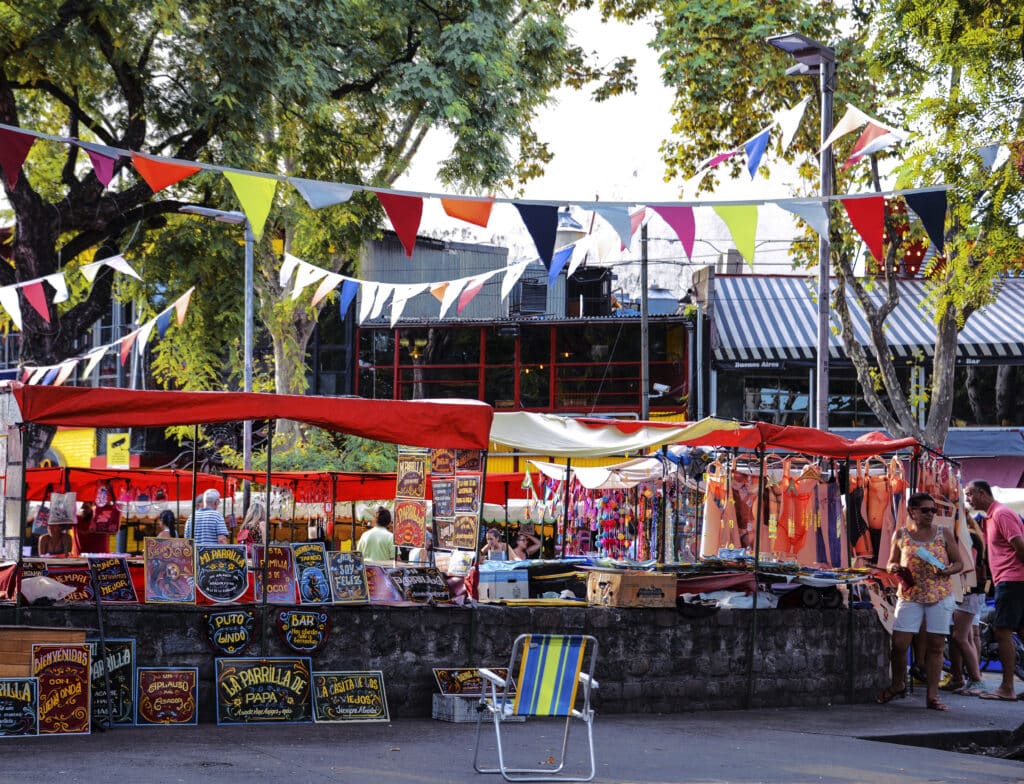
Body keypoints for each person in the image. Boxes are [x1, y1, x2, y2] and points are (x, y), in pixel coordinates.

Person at [877, 491, 962, 711]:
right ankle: (898, 684)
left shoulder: (944, 534)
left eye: (933, 510)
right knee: (899, 643)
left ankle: (932, 696)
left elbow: (959, 563)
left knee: (935, 646)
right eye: (925, 510)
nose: (930, 514)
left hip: (939, 594)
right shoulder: (901, 535)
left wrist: (947, 570)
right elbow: (889, 562)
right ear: (912, 511)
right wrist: (893, 569)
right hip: (910, 594)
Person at [965, 479, 1024, 701]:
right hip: (1010, 580)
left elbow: (1020, 547)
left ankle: (1007, 687)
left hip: (1012, 580)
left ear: (981, 493)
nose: (968, 499)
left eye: (970, 494)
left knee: (1003, 631)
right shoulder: (992, 516)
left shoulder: (1000, 513)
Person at [942, 515, 986, 695]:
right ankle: (961, 678)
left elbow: (969, 567)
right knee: (963, 636)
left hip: (968, 592)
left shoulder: (968, 537)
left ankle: (976, 680)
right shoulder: (971, 535)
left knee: (961, 636)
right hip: (967, 591)